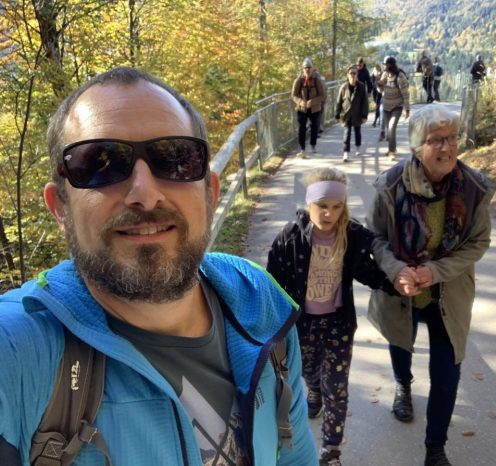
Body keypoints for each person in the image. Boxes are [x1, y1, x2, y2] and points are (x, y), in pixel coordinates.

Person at [0, 67, 317, 466]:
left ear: (210, 194)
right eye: (100, 164)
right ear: (60, 208)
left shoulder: (260, 302)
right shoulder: (19, 348)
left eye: (175, 159)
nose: (145, 195)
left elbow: (295, 456)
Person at [365, 104, 496, 466]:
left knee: (447, 371)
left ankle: (435, 448)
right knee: (401, 342)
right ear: (416, 146)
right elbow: (374, 237)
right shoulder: (391, 186)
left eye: (452, 138)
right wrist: (397, 270)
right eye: (436, 140)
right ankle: (403, 385)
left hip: (448, 293)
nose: (447, 147)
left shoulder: (473, 188)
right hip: (402, 289)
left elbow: (478, 242)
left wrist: (435, 271)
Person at [267, 167, 414, 466]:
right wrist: (271, 322)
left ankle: (331, 452)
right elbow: (273, 282)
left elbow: (367, 272)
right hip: (302, 324)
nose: (329, 214)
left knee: (337, 387)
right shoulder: (290, 237)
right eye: (322, 206)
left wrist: (397, 285)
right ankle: (314, 390)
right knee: (309, 373)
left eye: (336, 207)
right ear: (309, 203)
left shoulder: (351, 236)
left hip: (338, 324)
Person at [376, 56, 410, 160]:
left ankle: (391, 152)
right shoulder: (385, 75)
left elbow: (405, 94)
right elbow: (380, 90)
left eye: (385, 65)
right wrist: (378, 84)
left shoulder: (400, 77)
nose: (384, 66)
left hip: (397, 107)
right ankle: (393, 148)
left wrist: (407, 110)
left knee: (391, 127)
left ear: (390, 65)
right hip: (386, 106)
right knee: (389, 129)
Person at [292, 57, 326, 158]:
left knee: (314, 127)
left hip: (314, 108)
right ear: (303, 69)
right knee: (301, 128)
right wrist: (301, 102)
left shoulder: (317, 80)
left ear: (312, 68)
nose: (307, 69)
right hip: (302, 108)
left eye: (309, 67)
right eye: (305, 67)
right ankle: (302, 148)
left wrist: (313, 102)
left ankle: (313, 145)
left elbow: (322, 95)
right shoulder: (299, 80)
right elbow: (294, 95)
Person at [335, 64, 369, 162]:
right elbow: (339, 101)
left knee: (357, 132)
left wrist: (364, 115)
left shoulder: (361, 87)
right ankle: (346, 153)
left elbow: (365, 102)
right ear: (347, 75)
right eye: (351, 73)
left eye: (354, 73)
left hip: (357, 114)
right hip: (346, 114)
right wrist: (337, 115)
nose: (352, 75)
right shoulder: (343, 87)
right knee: (347, 134)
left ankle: (358, 148)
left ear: (357, 74)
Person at [371, 63, 383, 127]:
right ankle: (379, 118)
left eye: (378, 68)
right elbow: (371, 83)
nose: (377, 69)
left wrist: (379, 79)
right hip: (374, 92)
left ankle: (375, 120)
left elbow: (382, 83)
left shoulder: (382, 74)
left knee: (378, 106)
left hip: (380, 92)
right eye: (376, 68)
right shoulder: (373, 74)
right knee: (377, 106)